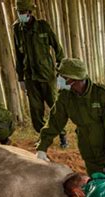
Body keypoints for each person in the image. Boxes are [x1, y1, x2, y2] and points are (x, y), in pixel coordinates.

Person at [36, 58, 105, 177]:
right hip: (88, 149)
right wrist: (42, 147)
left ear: (75, 79)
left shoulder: (101, 95)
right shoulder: (65, 97)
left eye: (63, 77)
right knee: (96, 184)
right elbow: (55, 122)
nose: (60, 80)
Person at [13, 0, 67, 148]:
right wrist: (21, 78)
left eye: (23, 12)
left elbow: (57, 47)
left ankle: (62, 135)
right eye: (19, 12)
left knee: (54, 105)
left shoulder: (43, 26)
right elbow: (18, 55)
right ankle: (43, 136)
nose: (20, 15)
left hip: (46, 74)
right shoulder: (17, 29)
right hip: (30, 76)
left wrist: (60, 69)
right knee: (36, 110)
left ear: (30, 12)